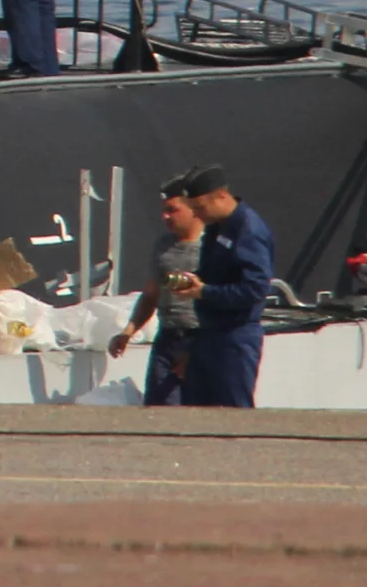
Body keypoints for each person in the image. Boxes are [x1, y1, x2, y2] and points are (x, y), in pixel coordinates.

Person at [175, 163, 274, 408]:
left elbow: (255, 289)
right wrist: (194, 281)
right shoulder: (217, 227)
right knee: (195, 411)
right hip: (208, 332)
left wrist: (204, 291)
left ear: (221, 196)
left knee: (232, 415)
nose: (197, 215)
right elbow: (217, 274)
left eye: (200, 208)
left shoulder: (248, 229)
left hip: (235, 336)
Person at [108, 173, 204, 404]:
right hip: (167, 339)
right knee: (157, 412)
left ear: (193, 209)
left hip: (202, 340)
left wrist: (197, 354)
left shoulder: (213, 248)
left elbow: (224, 304)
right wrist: (127, 333)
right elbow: (151, 295)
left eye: (173, 210)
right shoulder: (162, 246)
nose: (165, 217)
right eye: (164, 210)